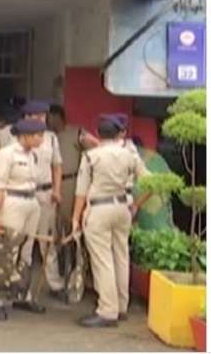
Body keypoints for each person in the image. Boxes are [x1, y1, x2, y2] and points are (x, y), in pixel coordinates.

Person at [71, 115, 150, 327]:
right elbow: (151, 183)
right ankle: (121, 306)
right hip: (123, 208)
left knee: (102, 260)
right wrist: (136, 205)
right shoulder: (130, 155)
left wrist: (75, 218)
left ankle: (107, 310)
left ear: (98, 134)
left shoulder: (91, 156)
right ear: (118, 134)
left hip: (99, 209)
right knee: (121, 257)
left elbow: (81, 192)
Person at [0, 118, 48, 321]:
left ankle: (21, 293)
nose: (41, 139)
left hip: (31, 202)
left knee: (26, 253)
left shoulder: (33, 155)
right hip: (12, 201)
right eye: (38, 135)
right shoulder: (6, 154)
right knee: (6, 251)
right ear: (25, 136)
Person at [20, 101, 65, 301]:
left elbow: (57, 166)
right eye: (35, 116)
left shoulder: (51, 138)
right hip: (25, 193)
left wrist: (57, 190)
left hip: (46, 194)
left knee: (47, 241)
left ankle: (55, 284)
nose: (40, 119)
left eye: (43, 116)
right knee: (25, 242)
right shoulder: (18, 137)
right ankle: (22, 288)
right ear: (26, 117)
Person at [47, 104, 99, 228]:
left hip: (70, 181)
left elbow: (95, 151)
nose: (47, 120)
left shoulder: (76, 133)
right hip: (48, 182)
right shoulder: (45, 136)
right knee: (51, 220)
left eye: (49, 117)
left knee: (68, 218)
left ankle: (71, 239)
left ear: (57, 117)